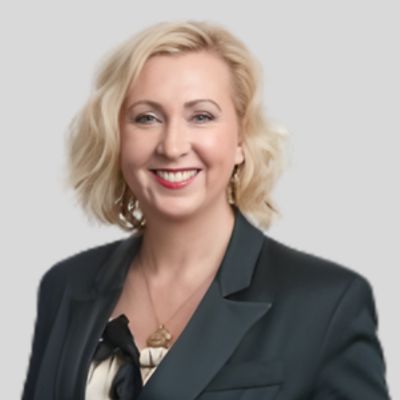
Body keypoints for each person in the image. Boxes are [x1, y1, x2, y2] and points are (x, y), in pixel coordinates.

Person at [22, 20, 391, 400]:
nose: (172, 146)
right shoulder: (65, 285)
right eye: (146, 117)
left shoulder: (327, 302)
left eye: (201, 116)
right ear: (116, 137)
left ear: (241, 139)